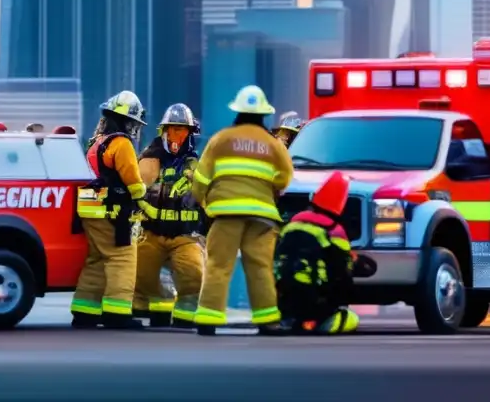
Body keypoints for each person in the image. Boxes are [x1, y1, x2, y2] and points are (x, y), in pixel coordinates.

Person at [192, 85, 294, 336]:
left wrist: (202, 203)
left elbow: (201, 179)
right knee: (260, 268)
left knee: (218, 265)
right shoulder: (273, 144)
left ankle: (207, 318)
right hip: (261, 217)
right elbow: (285, 178)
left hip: (226, 215)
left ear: (237, 112)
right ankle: (268, 321)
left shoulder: (220, 140)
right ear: (262, 114)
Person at [70, 91, 153, 330]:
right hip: (113, 212)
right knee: (122, 257)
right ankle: (117, 312)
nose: (134, 127)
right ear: (126, 120)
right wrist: (142, 199)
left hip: (89, 210)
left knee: (96, 259)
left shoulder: (95, 143)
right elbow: (133, 181)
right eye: (133, 122)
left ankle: (84, 311)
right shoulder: (121, 144)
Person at [132, 103, 203, 328]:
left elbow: (207, 198)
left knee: (193, 275)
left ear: (190, 134)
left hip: (185, 235)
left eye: (181, 130)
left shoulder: (196, 165)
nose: (175, 135)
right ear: (163, 131)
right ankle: (150, 312)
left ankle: (184, 318)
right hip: (150, 233)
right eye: (171, 129)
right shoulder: (148, 159)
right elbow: (135, 190)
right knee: (141, 276)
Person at [274, 171, 370, 334]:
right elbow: (342, 273)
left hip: (284, 301)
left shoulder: (291, 226)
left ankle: (289, 320)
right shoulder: (334, 231)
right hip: (316, 302)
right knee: (350, 319)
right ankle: (323, 323)